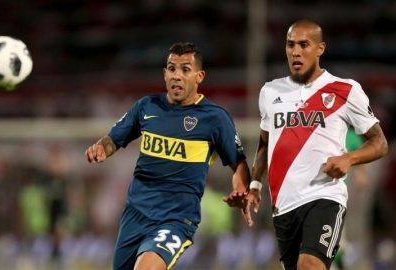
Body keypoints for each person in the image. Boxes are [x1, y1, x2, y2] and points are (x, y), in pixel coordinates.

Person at [85, 42, 251, 270]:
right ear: (164, 74)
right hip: (135, 214)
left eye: (185, 69)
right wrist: (102, 148)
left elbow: (238, 163)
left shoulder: (215, 118)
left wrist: (241, 187)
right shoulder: (147, 107)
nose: (177, 76)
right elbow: (113, 139)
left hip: (176, 219)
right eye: (172, 69)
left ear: (199, 76)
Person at [240, 20, 388, 270]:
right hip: (284, 204)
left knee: (310, 265)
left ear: (320, 49)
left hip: (325, 196)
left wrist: (348, 159)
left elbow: (380, 143)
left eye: (303, 45)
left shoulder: (345, 90)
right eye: (290, 45)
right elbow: (265, 144)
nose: (295, 51)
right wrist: (255, 184)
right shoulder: (270, 92)